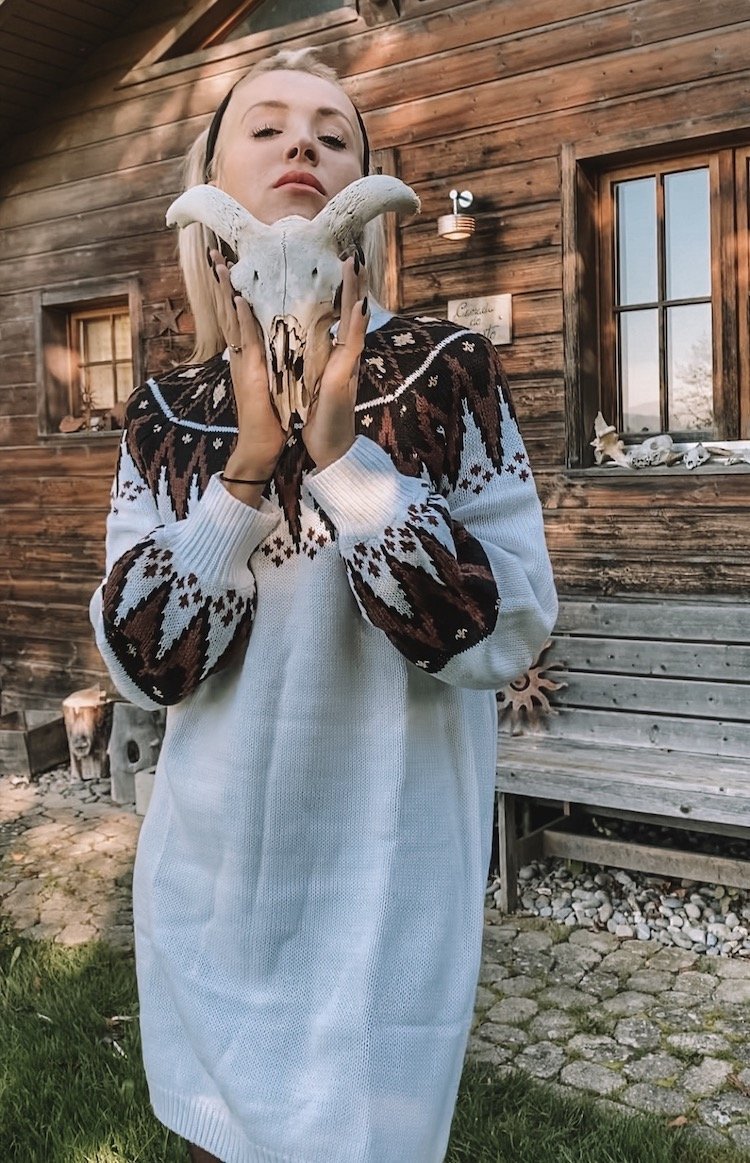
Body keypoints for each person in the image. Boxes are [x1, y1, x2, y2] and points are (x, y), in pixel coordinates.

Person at [90, 47, 558, 1163]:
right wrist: (245, 474)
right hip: (213, 885)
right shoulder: (163, 412)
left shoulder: (448, 370)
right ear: (212, 182)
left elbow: (508, 629)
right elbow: (142, 668)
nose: (302, 141)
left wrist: (349, 467)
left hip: (388, 892)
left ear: (365, 188)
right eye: (266, 126)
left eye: (333, 131)